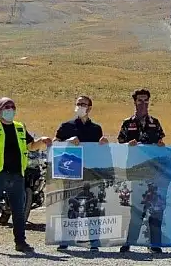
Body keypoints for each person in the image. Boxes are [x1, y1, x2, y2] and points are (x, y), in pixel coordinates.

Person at [0, 97, 53, 253]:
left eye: (12, 107)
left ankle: (20, 243)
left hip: (17, 175)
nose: (10, 109)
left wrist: (42, 141)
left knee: (19, 211)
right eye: (6, 107)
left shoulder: (20, 127)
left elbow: (30, 146)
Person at [54, 95, 109, 251]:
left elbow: (100, 150)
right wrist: (68, 141)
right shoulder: (66, 126)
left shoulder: (96, 128)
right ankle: (65, 239)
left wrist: (103, 144)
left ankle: (94, 241)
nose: (80, 106)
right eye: (78, 104)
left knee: (93, 206)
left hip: (91, 172)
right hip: (72, 171)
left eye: (83, 104)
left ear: (90, 108)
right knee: (70, 206)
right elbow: (55, 144)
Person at [118, 89, 168, 254]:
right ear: (134, 102)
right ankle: (129, 243)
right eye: (140, 100)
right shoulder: (127, 123)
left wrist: (161, 146)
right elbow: (120, 145)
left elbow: (162, 144)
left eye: (146, 100)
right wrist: (128, 145)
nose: (143, 103)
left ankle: (155, 244)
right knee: (136, 210)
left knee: (156, 210)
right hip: (136, 173)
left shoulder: (156, 122)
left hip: (154, 173)